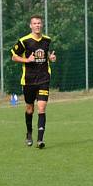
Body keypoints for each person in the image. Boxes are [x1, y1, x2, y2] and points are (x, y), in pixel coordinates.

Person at [11, 15, 56, 148]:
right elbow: (14, 57)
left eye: (39, 23)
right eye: (34, 23)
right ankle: (29, 133)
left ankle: (40, 140)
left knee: (41, 108)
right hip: (28, 81)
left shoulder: (47, 40)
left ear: (42, 25)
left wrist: (51, 58)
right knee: (29, 109)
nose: (37, 25)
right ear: (30, 26)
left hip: (43, 79)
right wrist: (27, 60)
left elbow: (45, 55)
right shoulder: (24, 41)